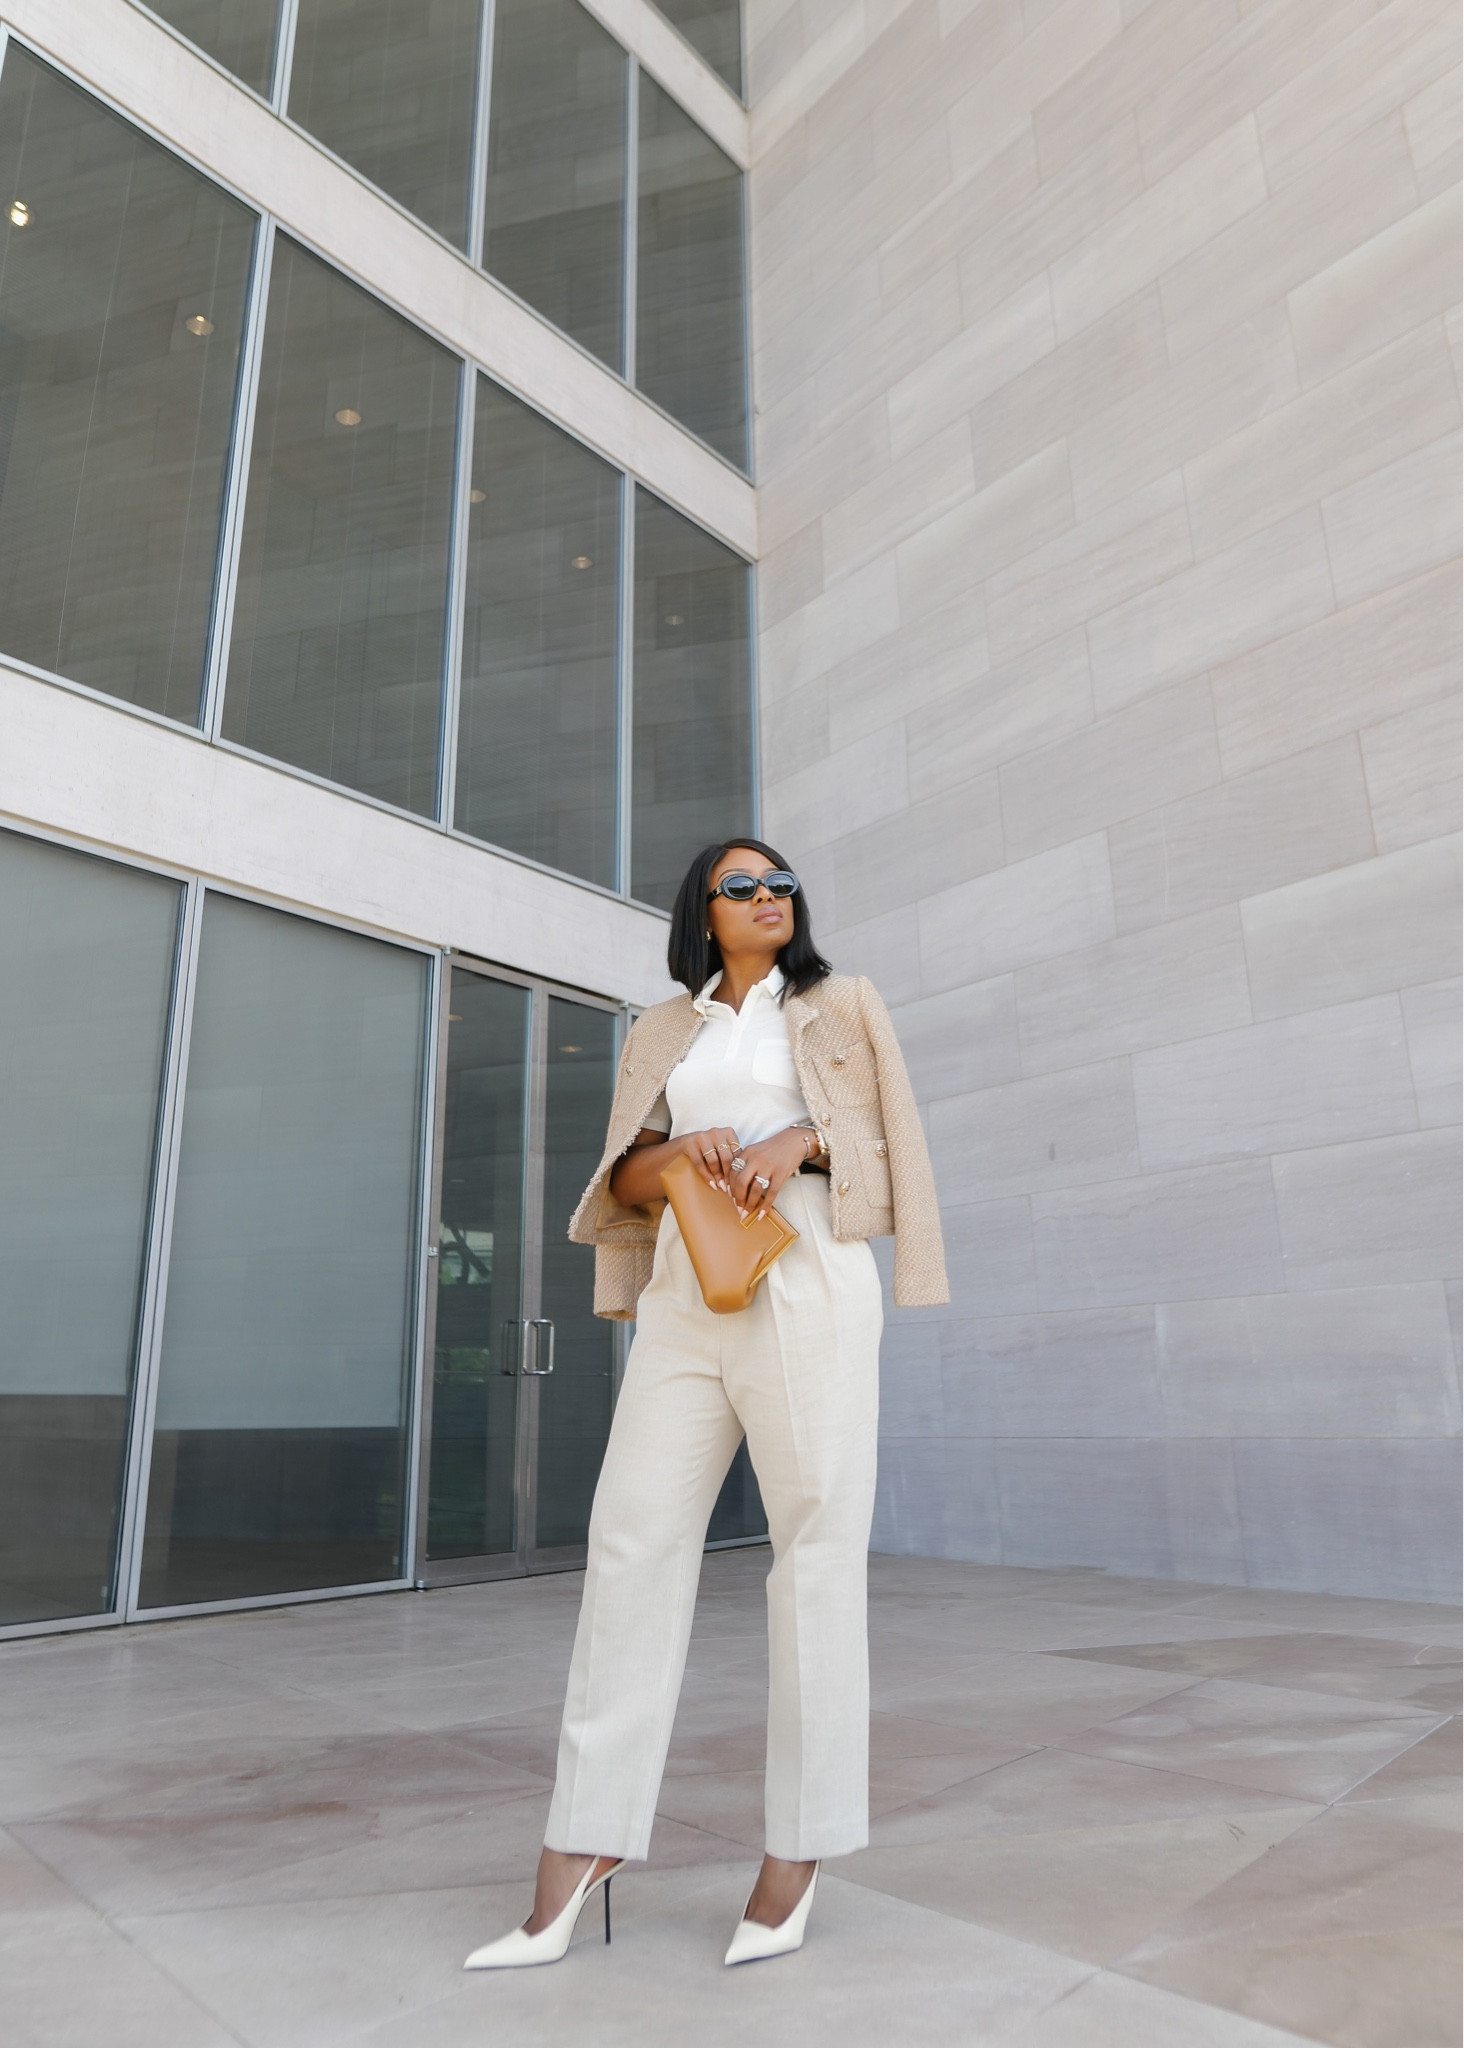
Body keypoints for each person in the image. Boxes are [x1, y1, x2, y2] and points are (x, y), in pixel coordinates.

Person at [464, 838, 947, 1972]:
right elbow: (621, 1180)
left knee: (815, 1549)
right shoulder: (664, 1028)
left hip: (810, 1273)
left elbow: (896, 1135)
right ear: (703, 909)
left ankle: (801, 1847)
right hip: (688, 1287)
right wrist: (681, 1150)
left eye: (780, 883)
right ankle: (586, 1840)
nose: (769, 896)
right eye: (743, 885)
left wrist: (801, 1137)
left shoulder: (841, 1003)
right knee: (631, 1538)